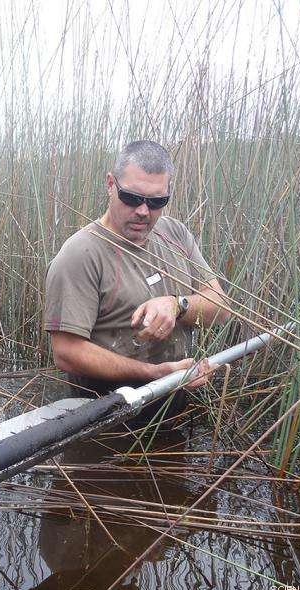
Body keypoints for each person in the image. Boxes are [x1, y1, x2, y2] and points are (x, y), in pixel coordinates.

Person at [44, 140, 229, 419]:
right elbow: (66, 352)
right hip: (107, 416)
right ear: (111, 184)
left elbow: (221, 307)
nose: (143, 211)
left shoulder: (175, 234)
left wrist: (178, 305)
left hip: (175, 405)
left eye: (156, 202)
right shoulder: (80, 255)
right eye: (132, 198)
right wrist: (153, 374)